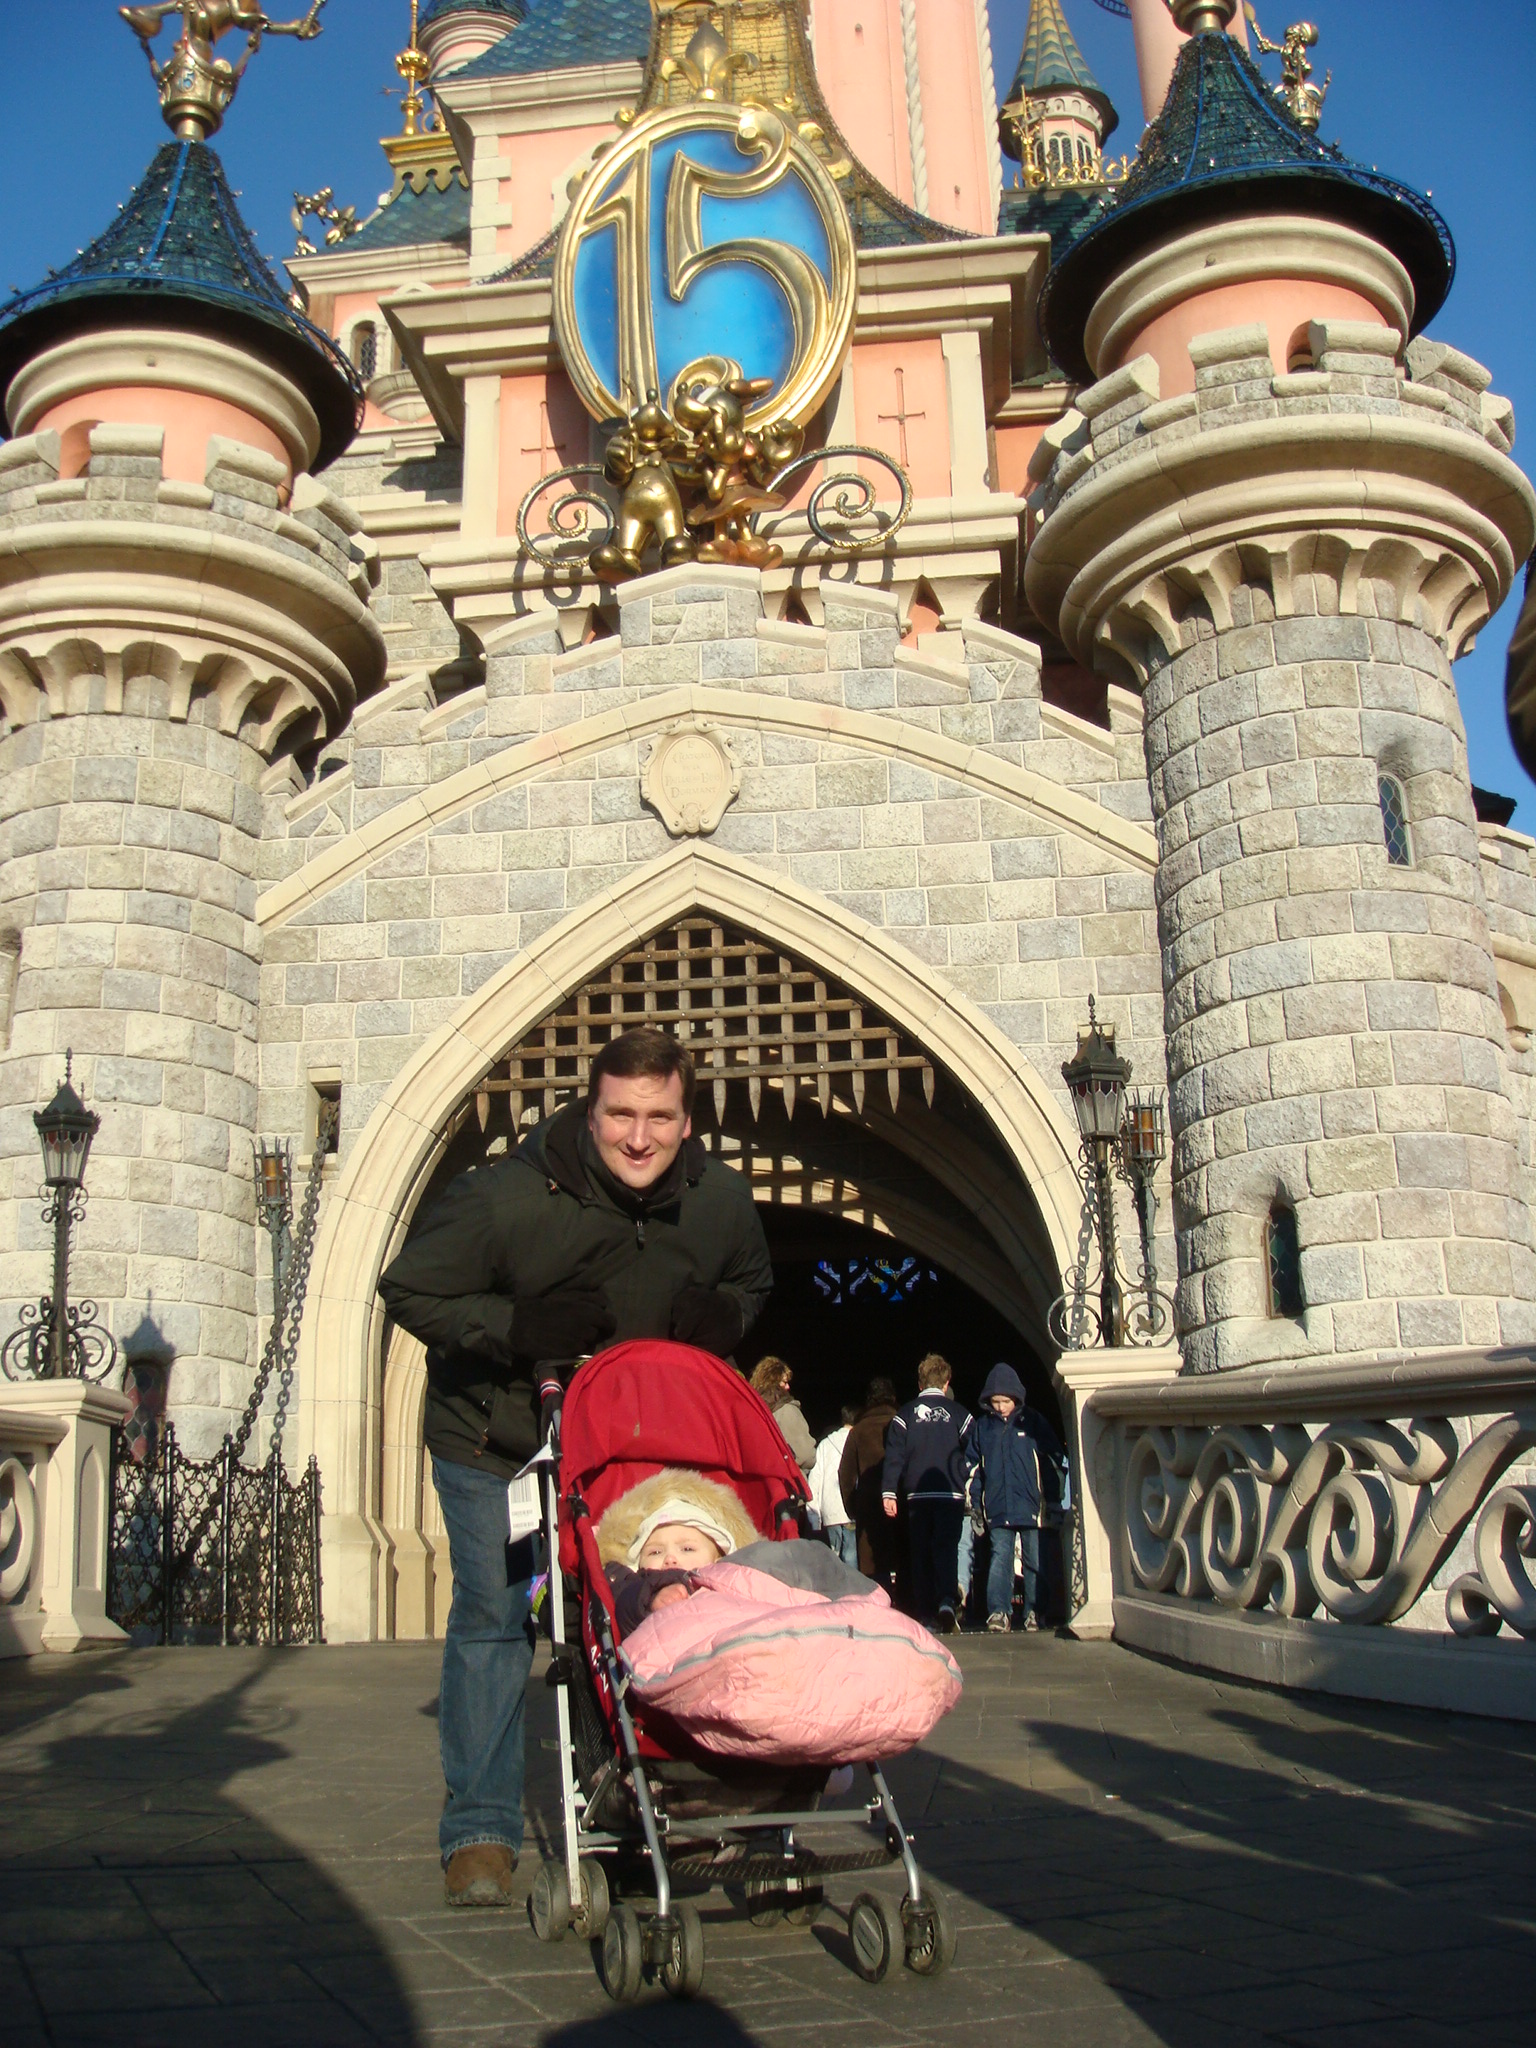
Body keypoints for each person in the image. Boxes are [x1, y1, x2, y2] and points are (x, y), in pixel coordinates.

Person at [377, 1027, 772, 1907]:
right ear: (590, 1110)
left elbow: (751, 1282)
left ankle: (635, 1806)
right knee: (500, 1614)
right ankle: (479, 1832)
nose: (639, 1137)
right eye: (620, 1115)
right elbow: (409, 1287)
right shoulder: (507, 1198)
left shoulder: (719, 1200)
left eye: (659, 1117)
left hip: (624, 1451)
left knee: (625, 1612)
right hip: (502, 1447)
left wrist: (725, 1318)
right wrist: (515, 1328)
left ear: (688, 1120)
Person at [965, 1363, 1059, 1633]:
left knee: (1035, 1561)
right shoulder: (983, 1428)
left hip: (1033, 1505)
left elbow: (1053, 1462)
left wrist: (1053, 1500)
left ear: (1016, 1398)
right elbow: (973, 1469)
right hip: (997, 1506)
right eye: (995, 1402)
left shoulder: (1034, 1422)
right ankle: (998, 1612)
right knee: (1000, 1558)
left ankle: (1035, 1612)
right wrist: (975, 1506)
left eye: (1005, 1401)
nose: (1000, 1407)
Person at [881, 1354, 971, 1632]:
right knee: (947, 1549)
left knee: (920, 1553)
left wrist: (889, 1492)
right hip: (950, 1494)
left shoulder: (905, 1415)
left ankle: (925, 1613)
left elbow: (894, 1456)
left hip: (916, 1496)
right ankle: (946, 1601)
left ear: (919, 1384)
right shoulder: (960, 1414)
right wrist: (965, 1475)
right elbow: (975, 1449)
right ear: (947, 1383)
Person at [838, 1377, 900, 1590]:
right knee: (903, 1561)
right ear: (893, 1397)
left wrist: (852, 1507)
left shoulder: (858, 1431)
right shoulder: (902, 1424)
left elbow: (845, 1474)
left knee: (874, 1571)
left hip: (869, 1507)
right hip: (899, 1503)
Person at [810, 1404, 859, 1566]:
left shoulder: (825, 1444)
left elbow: (815, 1479)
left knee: (834, 1557)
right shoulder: (858, 1441)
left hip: (830, 1511)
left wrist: (814, 1515)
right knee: (851, 1557)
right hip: (850, 1510)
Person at [748, 1355, 816, 1471]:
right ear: (772, 1382)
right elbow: (806, 1456)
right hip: (793, 1477)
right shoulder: (786, 1411)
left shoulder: (754, 1411)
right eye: (784, 1382)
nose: (788, 1387)